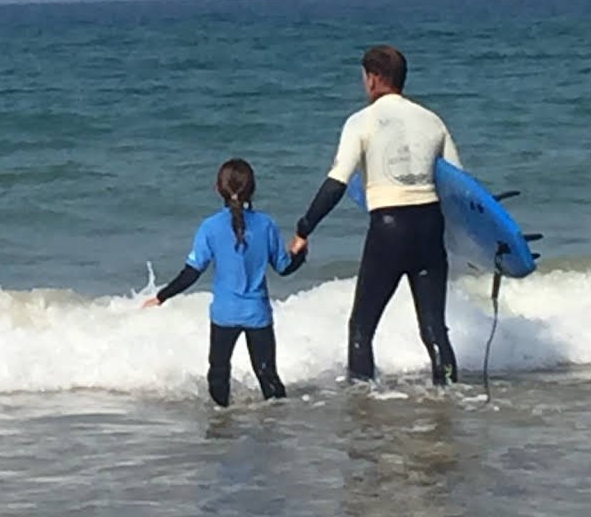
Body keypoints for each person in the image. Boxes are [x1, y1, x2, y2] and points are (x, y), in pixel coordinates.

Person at [290, 45, 460, 386]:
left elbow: (337, 182)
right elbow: (458, 186)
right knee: (433, 328)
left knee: (362, 327)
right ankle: (451, 400)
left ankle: (363, 405)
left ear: (374, 78)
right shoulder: (432, 120)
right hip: (430, 227)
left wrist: (304, 228)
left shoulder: (361, 121)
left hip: (390, 230)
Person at [143, 158, 306, 407]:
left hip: (224, 314)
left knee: (218, 376)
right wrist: (300, 252)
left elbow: (192, 272)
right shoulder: (266, 224)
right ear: (253, 189)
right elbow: (284, 267)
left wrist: (162, 296)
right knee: (268, 378)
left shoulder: (210, 227)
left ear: (218, 188)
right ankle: (275, 432)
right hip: (257, 314)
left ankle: (222, 430)